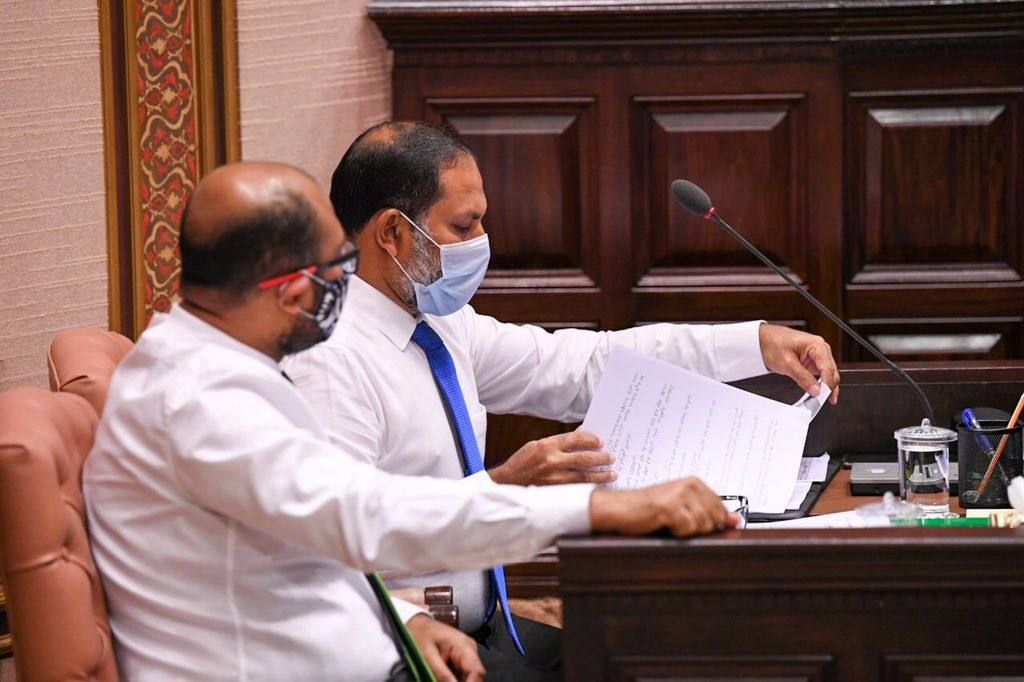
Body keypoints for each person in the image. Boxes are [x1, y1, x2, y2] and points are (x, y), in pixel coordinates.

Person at [83, 160, 741, 682]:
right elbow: (364, 515)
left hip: (381, 650)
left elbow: (308, 541)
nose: (347, 288)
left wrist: (401, 619)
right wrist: (599, 507)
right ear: (290, 289)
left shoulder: (216, 365)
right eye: (338, 269)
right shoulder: (199, 402)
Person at [283, 121, 841, 681]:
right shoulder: (331, 362)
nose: (482, 240)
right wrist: (505, 484)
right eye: (464, 225)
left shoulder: (440, 323)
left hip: (483, 622)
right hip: (400, 648)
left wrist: (755, 343)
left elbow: (584, 365)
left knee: (647, 663)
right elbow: (338, 544)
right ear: (391, 233)